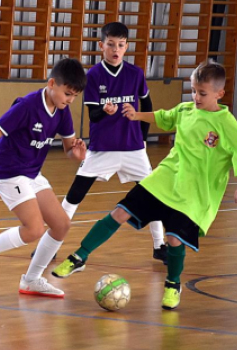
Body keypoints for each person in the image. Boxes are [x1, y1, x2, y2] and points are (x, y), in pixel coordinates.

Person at [52, 60, 237, 310]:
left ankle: (173, 283)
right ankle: (80, 256)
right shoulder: (185, 110)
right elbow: (164, 117)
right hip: (165, 179)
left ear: (219, 94)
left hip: (195, 193)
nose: (196, 97)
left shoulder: (226, 123)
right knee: (120, 211)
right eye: (193, 91)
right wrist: (136, 115)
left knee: (173, 238)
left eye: (202, 93)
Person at [0, 58, 87, 298]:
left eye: (74, 97)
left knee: (61, 225)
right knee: (34, 228)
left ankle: (31, 280)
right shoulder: (27, 106)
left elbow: (69, 150)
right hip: (7, 171)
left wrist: (75, 154)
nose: (70, 100)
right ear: (51, 84)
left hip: (31, 172)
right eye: (67, 93)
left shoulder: (62, 111)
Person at [60, 22, 167, 264]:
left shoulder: (136, 74)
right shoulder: (93, 76)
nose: (115, 50)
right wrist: (105, 111)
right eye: (110, 45)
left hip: (133, 148)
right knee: (75, 194)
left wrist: (143, 137)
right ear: (101, 46)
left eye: (120, 45)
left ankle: (159, 246)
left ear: (126, 47)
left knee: (155, 194)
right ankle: (52, 241)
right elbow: (93, 116)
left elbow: (147, 108)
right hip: (102, 149)